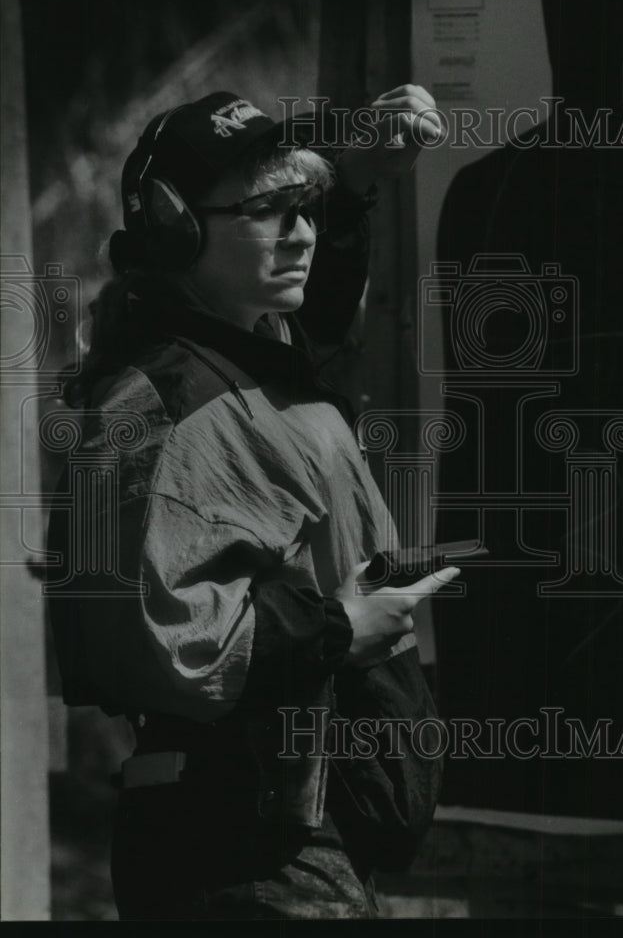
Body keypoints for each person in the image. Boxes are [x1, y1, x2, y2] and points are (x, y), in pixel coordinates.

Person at [47, 85, 458, 920]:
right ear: (177, 228)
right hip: (241, 847)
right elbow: (153, 639)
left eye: (302, 206)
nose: (300, 231)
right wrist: (339, 628)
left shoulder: (253, 355)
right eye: (269, 211)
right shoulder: (153, 406)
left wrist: (353, 176)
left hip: (286, 834)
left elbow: (319, 344)